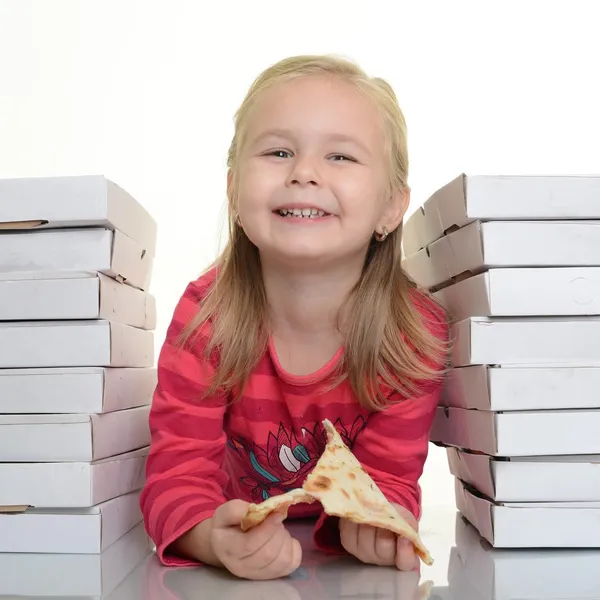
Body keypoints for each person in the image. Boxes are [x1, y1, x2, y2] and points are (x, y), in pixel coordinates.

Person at [140, 54, 449, 581]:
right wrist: (211, 537)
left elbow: (390, 482)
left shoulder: (412, 336)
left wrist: (379, 523)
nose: (304, 173)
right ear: (235, 189)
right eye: (279, 151)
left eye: (341, 157)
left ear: (391, 207)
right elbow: (175, 476)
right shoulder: (205, 318)